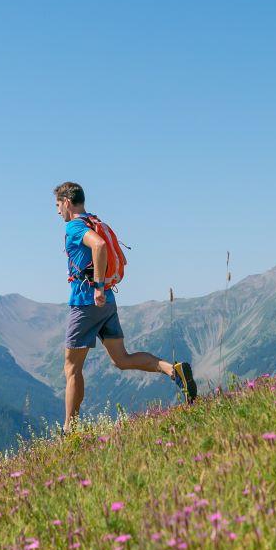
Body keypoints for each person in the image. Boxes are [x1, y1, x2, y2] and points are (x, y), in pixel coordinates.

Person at [54, 181, 197, 428]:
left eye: (57, 205)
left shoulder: (76, 227)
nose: (57, 212)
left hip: (87, 302)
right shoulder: (97, 222)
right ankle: (173, 370)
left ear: (67, 202)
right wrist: (103, 289)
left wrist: (97, 286)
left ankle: (70, 429)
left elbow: (98, 246)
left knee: (72, 368)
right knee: (121, 359)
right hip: (108, 301)